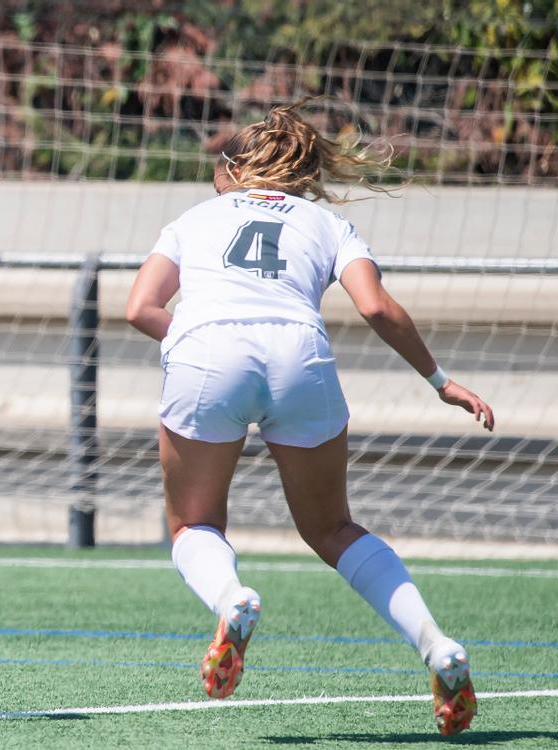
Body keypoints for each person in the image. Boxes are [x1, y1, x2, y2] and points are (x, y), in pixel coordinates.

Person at [125, 99, 493, 737]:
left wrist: (196, 343)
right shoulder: (328, 224)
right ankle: (437, 645)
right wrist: (441, 381)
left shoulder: (193, 219)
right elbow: (376, 308)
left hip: (206, 351)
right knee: (333, 529)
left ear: (233, 168)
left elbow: (139, 307)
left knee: (193, 525)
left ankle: (232, 599)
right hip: (300, 354)